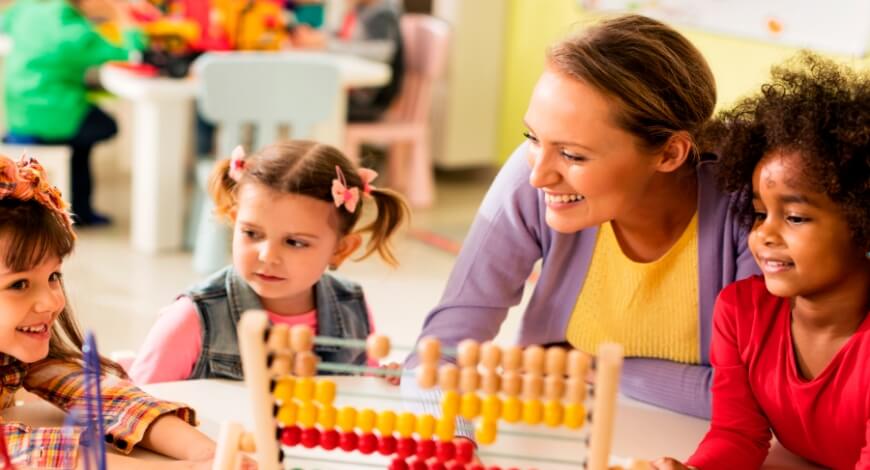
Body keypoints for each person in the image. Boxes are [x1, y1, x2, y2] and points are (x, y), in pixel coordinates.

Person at [404, 14, 760, 420]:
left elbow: (753, 396)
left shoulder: (749, 212)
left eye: (573, 155)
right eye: (533, 138)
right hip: (559, 426)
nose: (540, 174)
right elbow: (439, 352)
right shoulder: (531, 176)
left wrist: (589, 366)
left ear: (669, 154)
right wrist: (453, 443)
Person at [652, 54, 869, 470]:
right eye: (758, 213)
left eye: (796, 217)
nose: (764, 234)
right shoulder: (741, 312)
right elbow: (737, 434)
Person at [0, 155, 217, 469]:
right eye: (19, 284)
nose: (50, 302)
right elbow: (18, 452)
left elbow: (101, 395)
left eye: (53, 277)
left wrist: (208, 454)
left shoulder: (20, 353)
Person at [131, 140, 409, 383]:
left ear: (341, 250)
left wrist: (382, 380)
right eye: (252, 233)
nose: (267, 256)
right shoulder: (192, 319)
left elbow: (359, 386)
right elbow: (134, 409)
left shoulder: (351, 306)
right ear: (233, 219)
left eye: (295, 242)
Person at [0, 0, 149, 225]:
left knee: (81, 142)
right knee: (104, 126)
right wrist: (120, 12)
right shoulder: (77, 32)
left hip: (19, 116)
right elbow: (134, 52)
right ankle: (82, 210)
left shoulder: (25, 9)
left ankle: (80, 208)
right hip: (58, 117)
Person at [290, 0, 403, 121]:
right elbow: (341, 33)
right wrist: (316, 37)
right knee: (303, 97)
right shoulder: (361, 8)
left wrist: (328, 45)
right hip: (354, 92)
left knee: (307, 103)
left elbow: (384, 51)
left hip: (368, 98)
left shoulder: (384, 11)